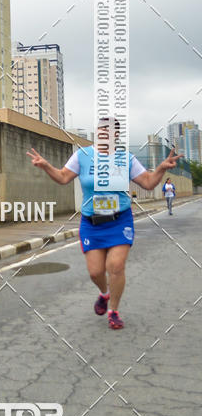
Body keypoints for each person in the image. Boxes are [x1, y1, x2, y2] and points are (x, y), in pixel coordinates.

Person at [27, 118, 183, 330]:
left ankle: (114, 311)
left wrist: (162, 168)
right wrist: (46, 166)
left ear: (116, 136)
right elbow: (63, 177)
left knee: (116, 266)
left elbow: (147, 182)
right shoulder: (83, 156)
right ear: (97, 132)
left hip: (120, 220)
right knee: (95, 272)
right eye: (102, 130)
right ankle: (104, 293)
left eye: (111, 132)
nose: (106, 134)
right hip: (92, 222)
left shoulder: (125, 158)